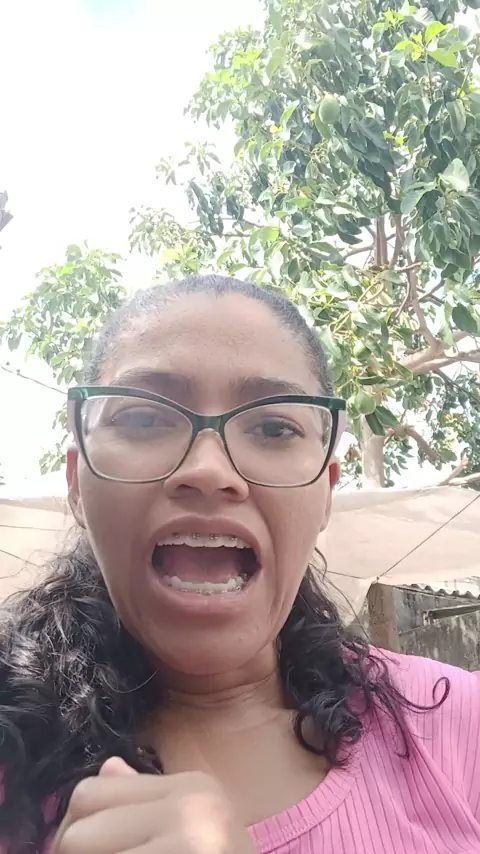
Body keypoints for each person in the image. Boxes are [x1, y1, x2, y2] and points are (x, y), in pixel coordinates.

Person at [0, 274, 479, 854]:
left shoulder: (460, 726)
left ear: (326, 490)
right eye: (145, 418)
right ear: (78, 482)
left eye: (274, 427)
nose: (208, 469)